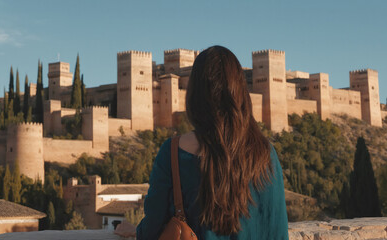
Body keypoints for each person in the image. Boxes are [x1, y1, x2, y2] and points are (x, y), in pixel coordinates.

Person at [114, 46, 289, 239]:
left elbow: (151, 230)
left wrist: (133, 231)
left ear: (194, 93)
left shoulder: (172, 153)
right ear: (241, 91)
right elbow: (278, 232)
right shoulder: (266, 154)